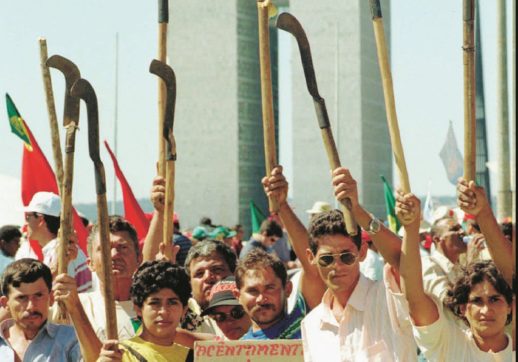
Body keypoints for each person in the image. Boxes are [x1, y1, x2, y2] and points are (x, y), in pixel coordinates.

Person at [299, 167, 417, 361]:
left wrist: (358, 211)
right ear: (311, 257)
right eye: (327, 259)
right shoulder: (311, 324)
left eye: (346, 257)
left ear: (362, 253)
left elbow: (403, 259)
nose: (337, 266)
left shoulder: (390, 300)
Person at [396, 191, 514, 360]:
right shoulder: (429, 265)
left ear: (509, 306)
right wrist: (411, 226)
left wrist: (483, 212)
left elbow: (509, 272)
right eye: (477, 301)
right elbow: (420, 298)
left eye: (495, 299)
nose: (486, 310)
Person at [235, 165, 328, 340]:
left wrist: (282, 205)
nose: (262, 299)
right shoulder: (235, 352)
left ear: (287, 288)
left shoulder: (304, 323)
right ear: (237, 295)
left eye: (270, 288)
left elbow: (314, 267)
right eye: (253, 291)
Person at [0, 259, 99, 361]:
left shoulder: (71, 339)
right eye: (22, 298)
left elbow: (97, 360)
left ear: (51, 298)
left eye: (38, 295)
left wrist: (75, 306)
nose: (31, 306)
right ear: (5, 303)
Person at [98, 261, 193, 362]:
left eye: (172, 302)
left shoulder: (196, 356)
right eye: (155, 303)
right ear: (138, 308)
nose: (164, 311)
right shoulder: (119, 356)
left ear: (184, 310)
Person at [15, 191, 92, 293]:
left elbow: (59, 298)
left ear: (41, 220)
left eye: (28, 217)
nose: (26, 223)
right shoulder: (59, 248)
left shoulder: (61, 250)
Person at [181, 240, 236, 336]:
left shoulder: (251, 309)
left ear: (234, 274)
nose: (208, 277)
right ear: (190, 283)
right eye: (199, 273)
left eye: (217, 270)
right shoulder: (180, 314)